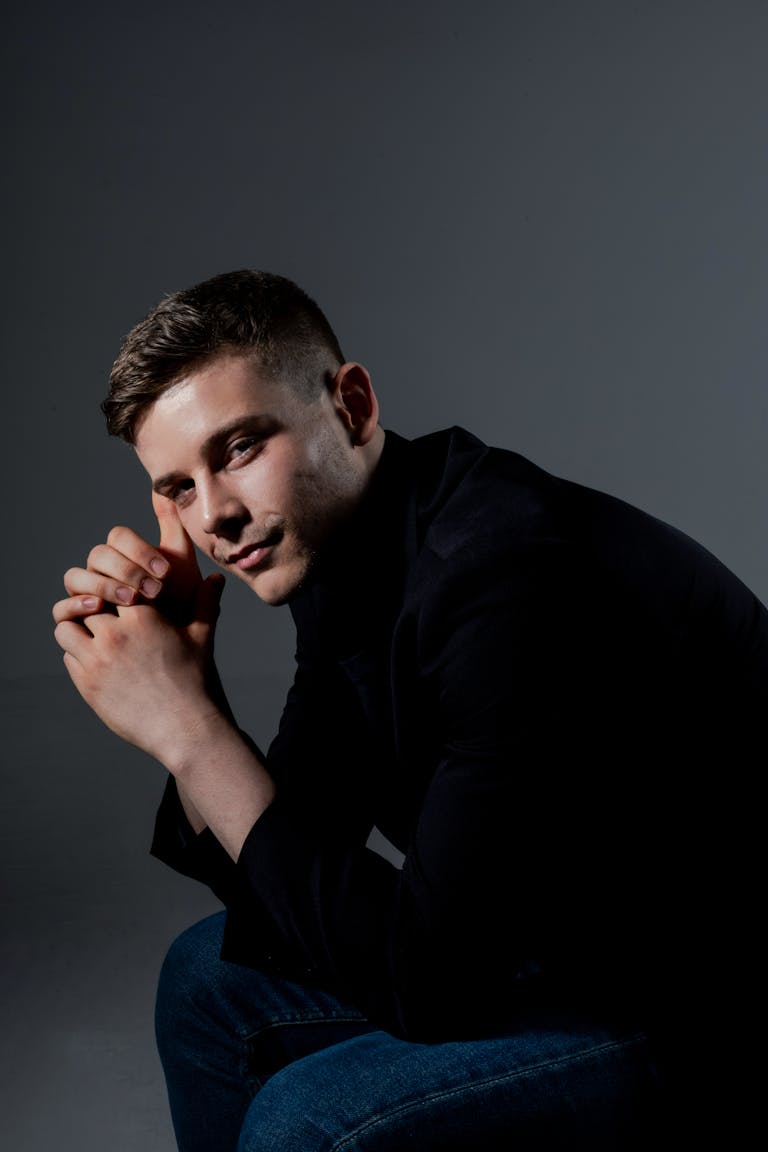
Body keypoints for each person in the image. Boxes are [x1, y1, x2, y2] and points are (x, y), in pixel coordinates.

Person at [52, 269, 767, 1150]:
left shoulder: (505, 572)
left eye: (238, 448)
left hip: (706, 1001)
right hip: (561, 939)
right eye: (177, 488)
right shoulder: (338, 543)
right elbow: (293, 853)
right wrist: (190, 696)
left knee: (309, 1120)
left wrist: (189, 732)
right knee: (206, 983)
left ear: (351, 406)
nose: (217, 519)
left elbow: (431, 985)